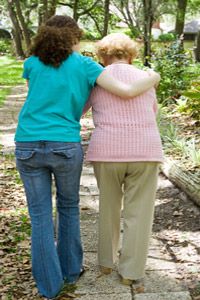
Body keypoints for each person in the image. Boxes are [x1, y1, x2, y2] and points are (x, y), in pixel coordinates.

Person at [14, 16, 160, 299]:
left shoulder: (31, 63)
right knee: (68, 207)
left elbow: (47, 97)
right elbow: (129, 94)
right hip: (66, 145)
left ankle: (50, 286)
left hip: (28, 142)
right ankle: (74, 271)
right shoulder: (85, 66)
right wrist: (152, 77)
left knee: (40, 216)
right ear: (75, 38)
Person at [84, 33, 164, 285]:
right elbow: (153, 112)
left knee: (108, 206)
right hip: (145, 151)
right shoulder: (147, 78)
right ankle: (130, 273)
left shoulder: (96, 80)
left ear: (102, 57)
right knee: (139, 213)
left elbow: (80, 109)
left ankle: (107, 263)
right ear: (131, 55)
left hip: (107, 151)